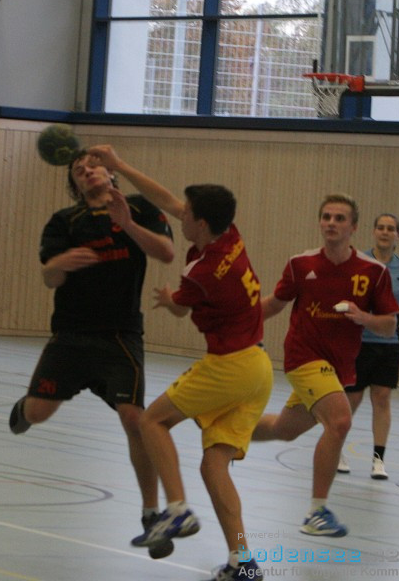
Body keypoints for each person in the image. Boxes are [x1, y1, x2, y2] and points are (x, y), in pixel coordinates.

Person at [88, 144, 272, 581]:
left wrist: (170, 299)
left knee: (151, 422)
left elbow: (179, 310)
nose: (179, 214)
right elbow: (167, 199)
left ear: (200, 223)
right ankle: (241, 562)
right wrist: (119, 167)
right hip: (259, 369)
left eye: (186, 213)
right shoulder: (230, 236)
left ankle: (175, 510)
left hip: (229, 365)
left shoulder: (203, 272)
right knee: (214, 466)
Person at [7, 149, 175, 554]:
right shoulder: (65, 221)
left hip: (120, 336)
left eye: (92, 166)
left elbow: (166, 253)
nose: (86, 172)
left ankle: (152, 516)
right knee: (38, 413)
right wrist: (61, 262)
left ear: (110, 172)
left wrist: (128, 224)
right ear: (75, 185)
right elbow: (49, 277)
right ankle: (24, 408)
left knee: (136, 420)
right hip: (71, 336)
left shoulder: (138, 208)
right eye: (78, 172)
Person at [251, 196, 399, 538]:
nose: (331, 223)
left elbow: (390, 326)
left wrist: (362, 318)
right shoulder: (300, 265)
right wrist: (235, 322)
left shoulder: (373, 272)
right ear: (320, 223)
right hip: (304, 358)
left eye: (339, 218)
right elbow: (274, 304)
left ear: (353, 228)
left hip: (339, 368)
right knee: (340, 421)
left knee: (284, 429)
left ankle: (225, 433)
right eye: (326, 217)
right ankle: (316, 512)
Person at [339, 213, 399, 480]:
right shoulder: (360, 263)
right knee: (351, 399)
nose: (385, 232)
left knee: (382, 399)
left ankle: (378, 459)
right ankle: (336, 448)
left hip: (388, 345)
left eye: (390, 229)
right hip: (359, 343)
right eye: (380, 228)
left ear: (397, 235)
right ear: (374, 231)